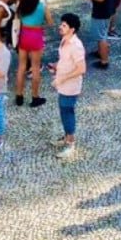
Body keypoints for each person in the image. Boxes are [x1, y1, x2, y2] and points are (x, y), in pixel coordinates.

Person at [50, 13, 86, 160]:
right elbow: (64, 60)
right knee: (63, 110)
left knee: (67, 112)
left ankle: (70, 143)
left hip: (70, 86)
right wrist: (56, 66)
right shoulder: (65, 40)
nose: (60, 27)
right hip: (62, 84)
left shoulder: (76, 46)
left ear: (72, 29)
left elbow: (81, 69)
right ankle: (66, 137)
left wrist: (63, 77)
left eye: (64, 25)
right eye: (61, 24)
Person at [15, 0, 52, 107]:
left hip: (24, 34)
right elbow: (50, 22)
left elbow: (17, 18)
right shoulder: (42, 7)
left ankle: (19, 95)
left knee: (21, 66)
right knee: (35, 68)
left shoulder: (21, 5)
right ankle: (35, 97)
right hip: (36, 35)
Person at [88, 0, 116, 69]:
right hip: (109, 10)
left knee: (101, 37)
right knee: (103, 33)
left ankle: (104, 61)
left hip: (101, 12)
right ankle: (100, 51)